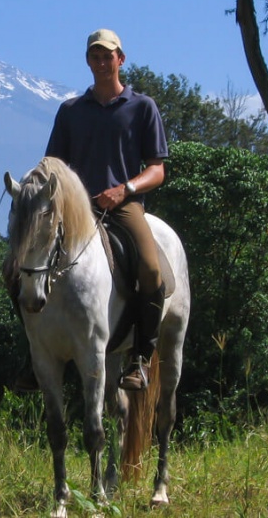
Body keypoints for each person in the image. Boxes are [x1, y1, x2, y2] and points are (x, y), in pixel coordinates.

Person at [44, 28, 169, 391]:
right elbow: (54, 166)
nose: (101, 62)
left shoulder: (142, 107)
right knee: (21, 267)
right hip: (75, 211)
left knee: (149, 267)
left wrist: (124, 189)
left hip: (123, 206)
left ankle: (141, 356)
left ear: (120, 59)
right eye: (95, 57)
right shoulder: (70, 111)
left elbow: (157, 169)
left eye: (107, 56)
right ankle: (33, 353)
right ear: (88, 61)